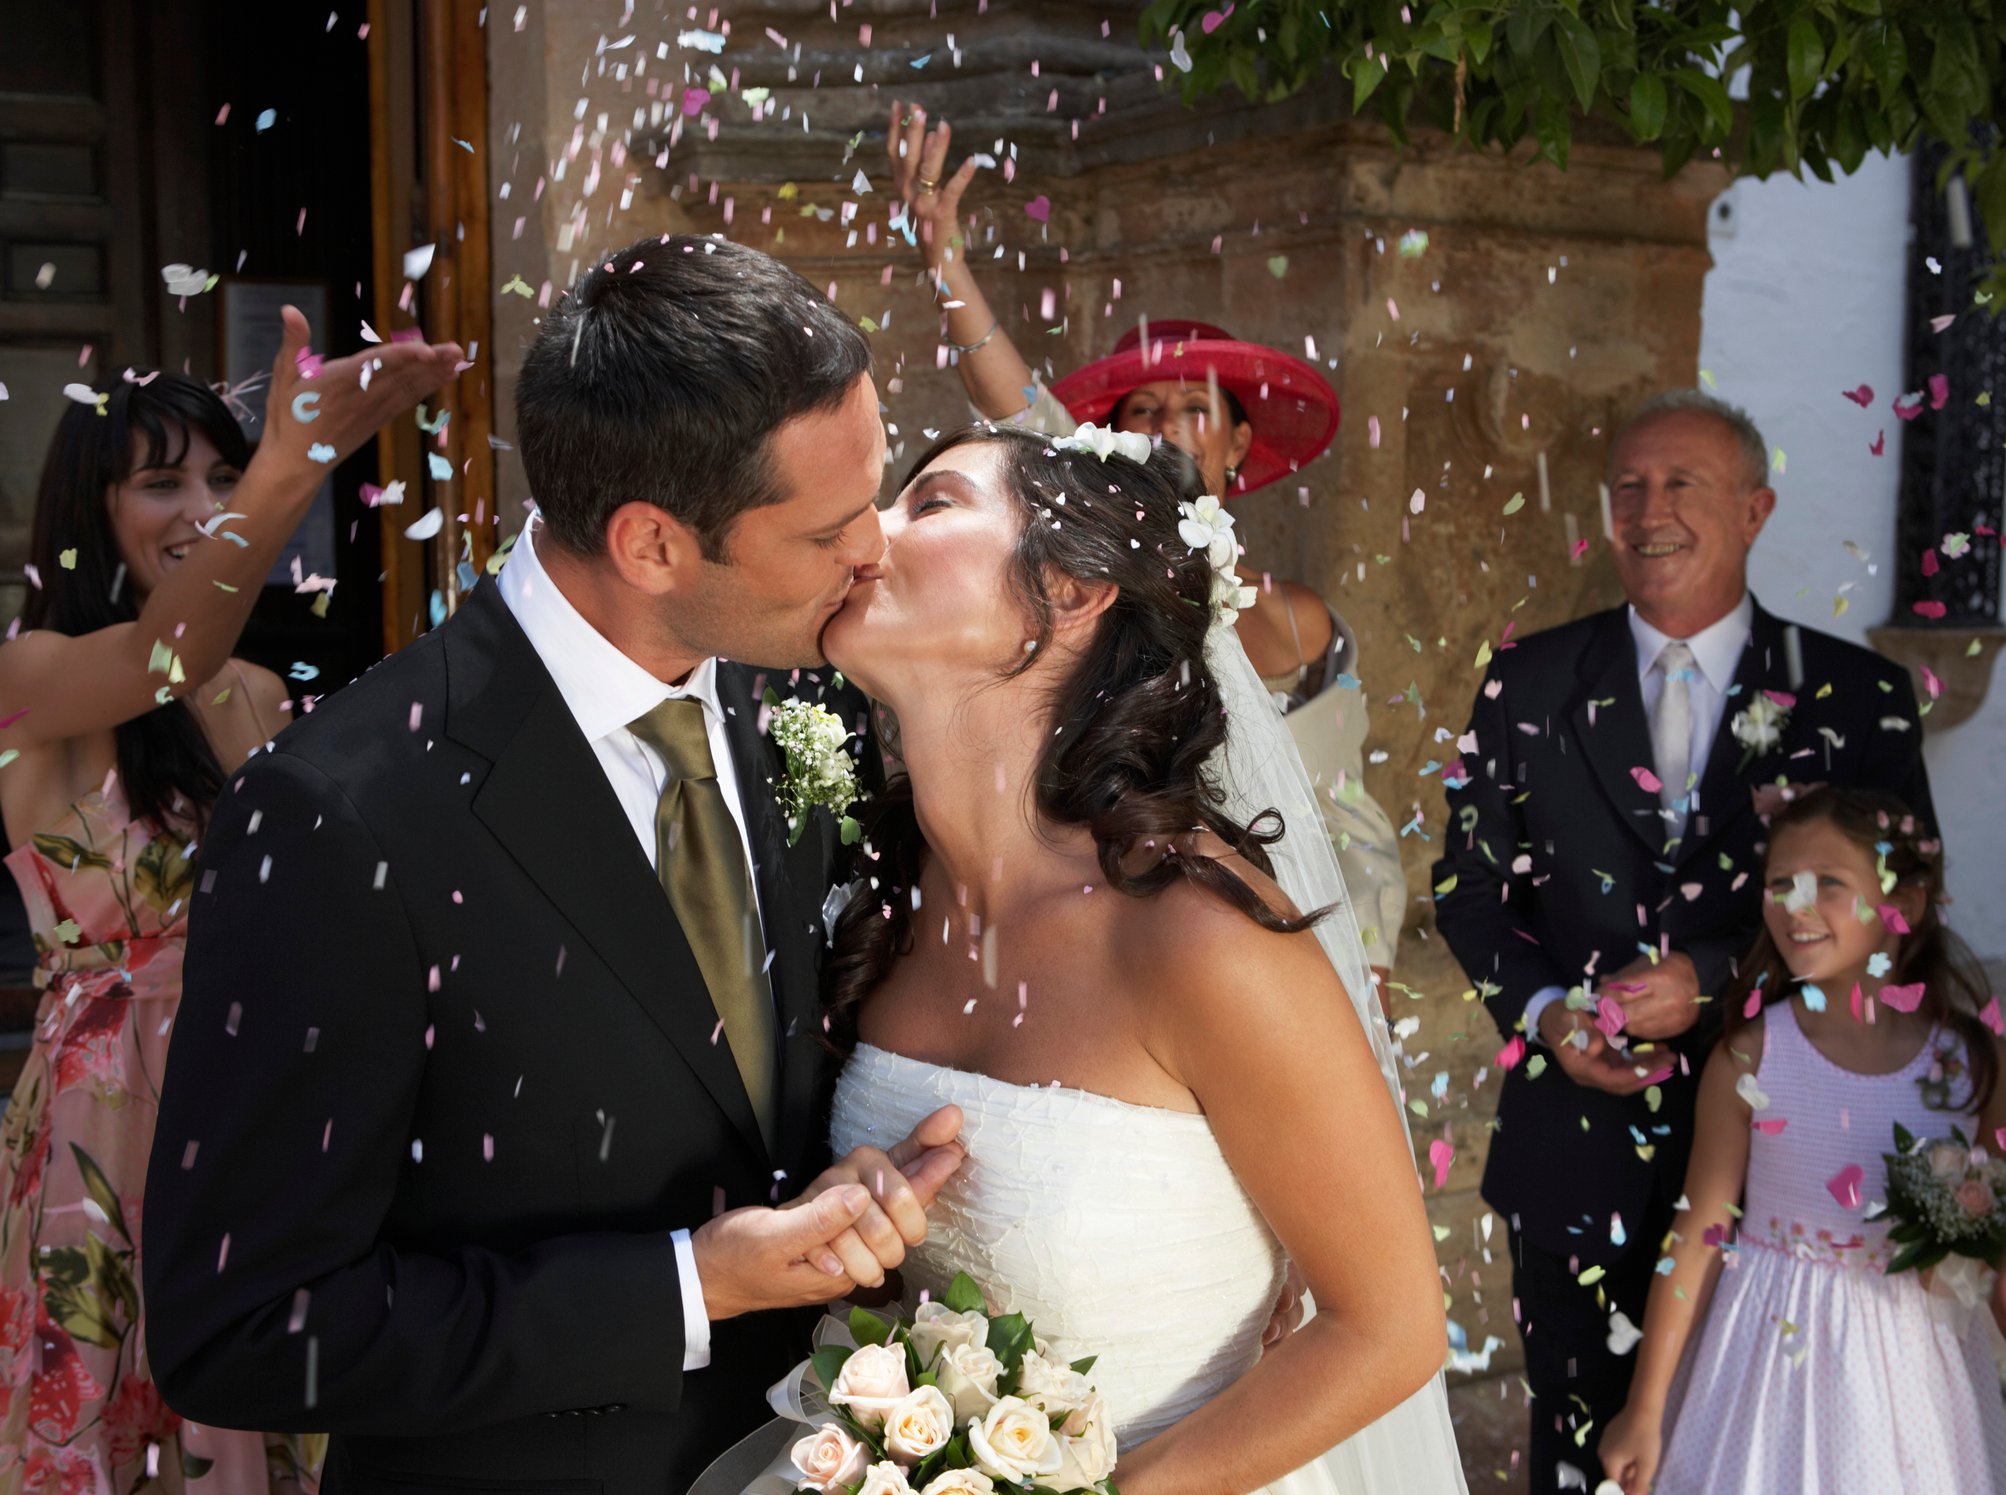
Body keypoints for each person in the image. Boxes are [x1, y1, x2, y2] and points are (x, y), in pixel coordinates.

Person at [139, 238, 973, 1494]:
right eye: (829, 527)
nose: (877, 551)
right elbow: (246, 1329)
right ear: (650, 545)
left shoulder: (801, 700)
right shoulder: (336, 815)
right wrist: (688, 1284)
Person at [818, 423, 1468, 1493]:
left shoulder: (1193, 930)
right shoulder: (881, 894)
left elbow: (1389, 1328)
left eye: (926, 503)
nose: (865, 531)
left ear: (1071, 590)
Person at [1430, 389, 1936, 1490]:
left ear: (1753, 509)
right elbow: (1467, 889)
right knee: (1578, 1453)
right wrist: (1546, 1013)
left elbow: (1900, 911)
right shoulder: (1526, 681)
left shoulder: (1857, 699)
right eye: (1626, 487)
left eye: (1680, 484)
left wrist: (1713, 975)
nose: (1645, 509)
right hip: (1570, 1146)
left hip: (1789, 1170)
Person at [0, 336, 461, 1494]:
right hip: (103, 1121)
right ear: (86, 503)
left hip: (253, 1089)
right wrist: (294, 460)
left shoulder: (254, 690)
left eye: (221, 477)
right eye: (164, 481)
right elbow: (164, 650)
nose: (200, 506)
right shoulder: (29, 677)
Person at [884, 102, 1406, 981]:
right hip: (1128, 931)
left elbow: (1347, 814)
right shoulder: (1093, 579)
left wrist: (1368, 966)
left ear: (1238, 442)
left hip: (1285, 944)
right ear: (1112, 442)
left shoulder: (1303, 621)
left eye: (1195, 408)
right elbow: (1018, 410)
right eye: (1144, 411)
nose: (1169, 427)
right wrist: (948, 266)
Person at [1599, 786, 2006, 1492]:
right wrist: (1645, 1404)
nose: (1795, 905)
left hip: (1917, 1376)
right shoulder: (1752, 1058)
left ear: (1902, 905)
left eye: (1828, 884)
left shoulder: (1967, 1063)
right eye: (1779, 883)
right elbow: (1696, 1233)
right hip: (1769, 1360)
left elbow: (1996, 1239)